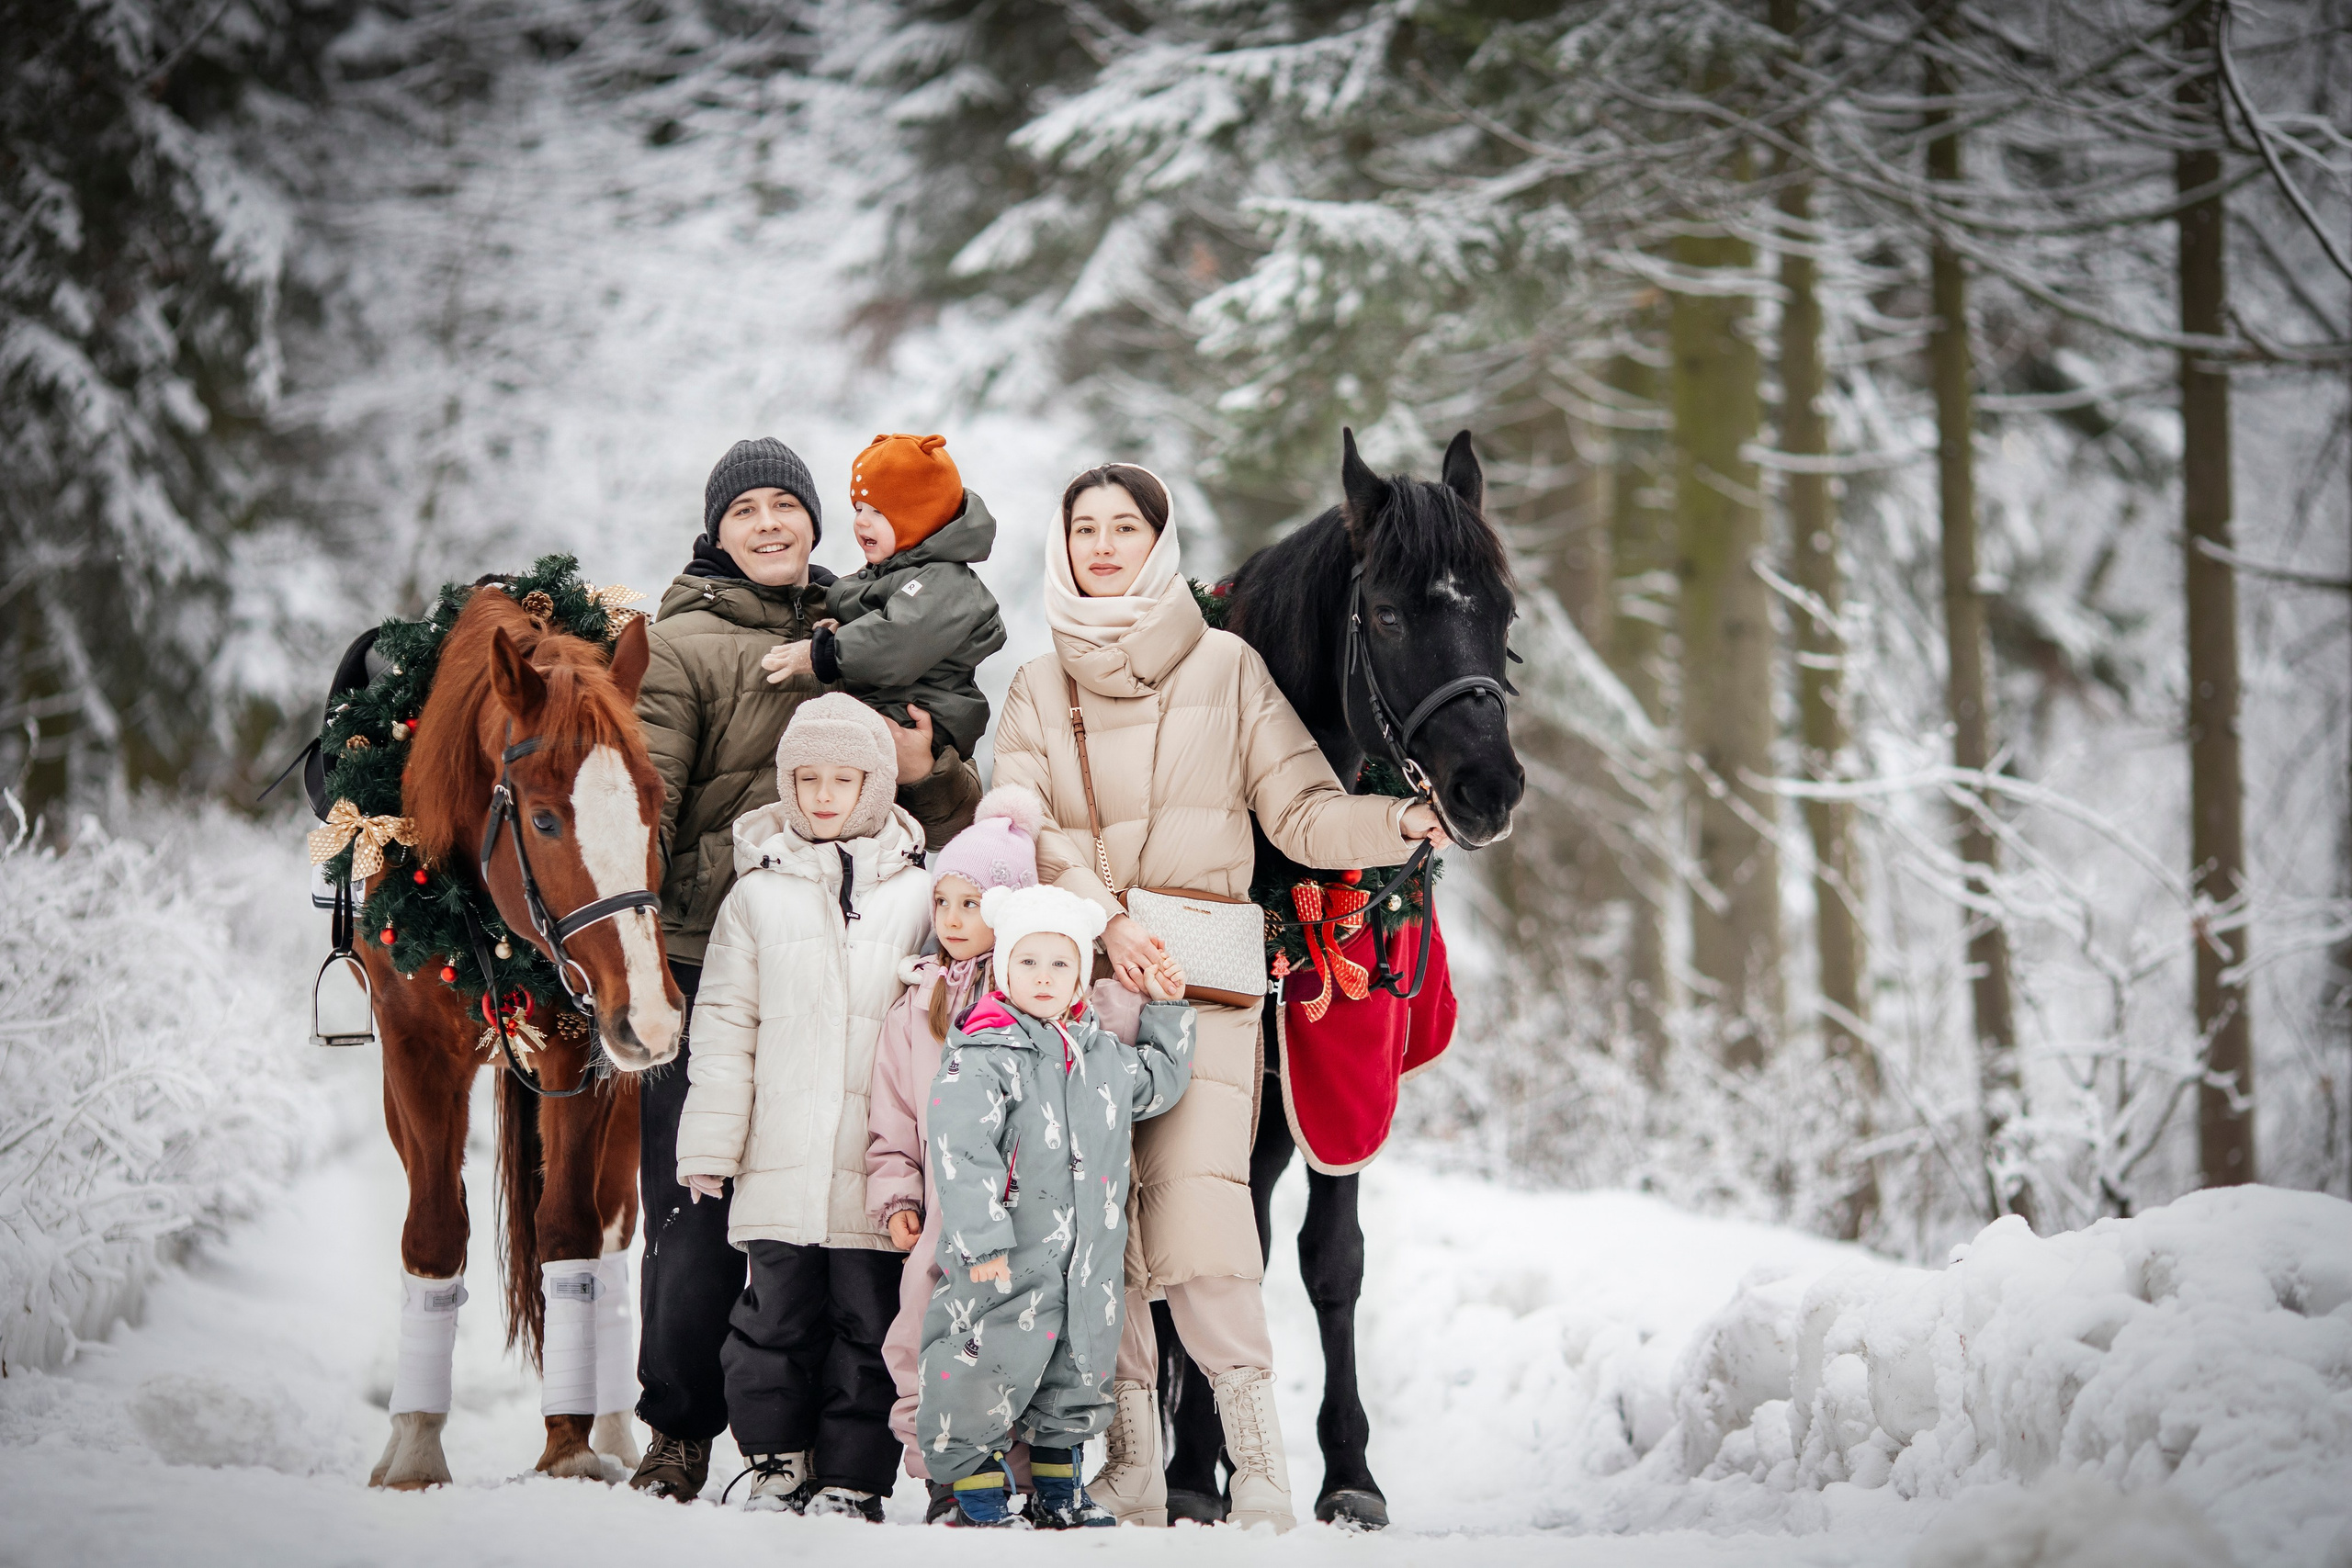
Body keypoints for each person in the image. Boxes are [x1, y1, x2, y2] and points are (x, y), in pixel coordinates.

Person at [989, 464, 1449, 1531]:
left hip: (1207, 976)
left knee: (1207, 1225)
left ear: (1158, 542)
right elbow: (1025, 825)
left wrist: (1395, 827)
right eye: (1084, 528)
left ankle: (1263, 1472)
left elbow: (1299, 810)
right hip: (1082, 984)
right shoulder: (1035, 685)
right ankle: (1140, 1466)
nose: (1103, 545)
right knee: (1105, 1230)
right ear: (1063, 547)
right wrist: (1106, 921)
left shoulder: (1228, 667)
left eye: (1124, 527)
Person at [630, 437, 982, 1502]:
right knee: (697, 1215)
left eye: (789, 505)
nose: (771, 525)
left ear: (820, 523)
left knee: (848, 1225)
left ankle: (842, 1449)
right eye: (748, 511)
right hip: (715, 961)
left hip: (865, 965)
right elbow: (642, 804)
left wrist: (937, 766)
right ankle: (681, 1429)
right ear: (716, 529)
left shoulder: (868, 633)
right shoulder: (681, 644)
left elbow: (948, 811)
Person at [672, 694, 935, 1520]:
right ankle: (775, 1461)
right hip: (778, 1159)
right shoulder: (756, 895)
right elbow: (722, 1027)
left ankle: (854, 1475)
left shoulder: (921, 897)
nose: (824, 795)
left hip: (875, 1168)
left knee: (870, 1323)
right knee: (769, 1320)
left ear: (877, 783)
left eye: (843, 778)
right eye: (807, 778)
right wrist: (711, 1144)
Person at [915, 885, 1193, 1529]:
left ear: (1082, 976)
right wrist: (981, 1240)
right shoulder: (983, 1054)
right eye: (1028, 962)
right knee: (981, 1365)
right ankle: (978, 1496)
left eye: (1060, 963)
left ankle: (1058, 1490)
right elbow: (961, 1150)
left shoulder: (1101, 1058)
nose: (1043, 977)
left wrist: (1170, 1004)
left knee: (1076, 1372)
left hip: (1085, 1262)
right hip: (1006, 1257)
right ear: (1004, 968)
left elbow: (1160, 1082)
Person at [865, 784, 1042, 1521]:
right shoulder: (918, 1005)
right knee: (924, 1331)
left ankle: (1022, 1472)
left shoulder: (1038, 996)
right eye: (945, 902)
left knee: (1016, 1339)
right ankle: (945, 1472)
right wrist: (897, 1193)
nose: (953, 919)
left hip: (1024, 1213)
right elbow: (894, 1113)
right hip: (942, 1212)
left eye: (972, 903)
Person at [759, 433, 1004, 765]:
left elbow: (900, 637)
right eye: (858, 508)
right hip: (892, 703)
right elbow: (880, 611)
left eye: (878, 511)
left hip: (922, 713)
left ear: (920, 517)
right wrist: (844, 625)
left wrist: (823, 652)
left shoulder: (945, 581)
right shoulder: (898, 572)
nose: (861, 521)